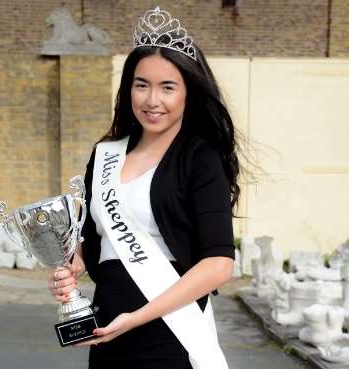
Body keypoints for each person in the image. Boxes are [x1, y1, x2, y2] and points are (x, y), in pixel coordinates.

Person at [48, 6, 240, 369]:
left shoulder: (200, 157)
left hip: (171, 334)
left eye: (168, 87)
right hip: (108, 331)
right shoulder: (105, 155)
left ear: (188, 93)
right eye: (142, 85)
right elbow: (91, 241)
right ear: (128, 88)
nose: (152, 100)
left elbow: (218, 264)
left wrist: (135, 319)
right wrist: (68, 271)